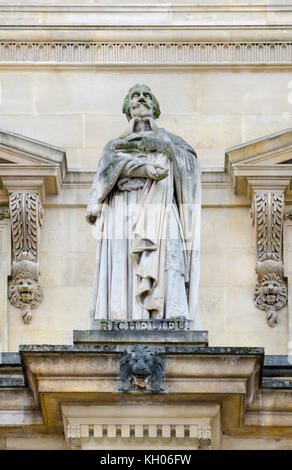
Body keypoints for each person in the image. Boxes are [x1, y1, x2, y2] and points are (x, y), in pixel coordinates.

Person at [86, 84, 201, 328]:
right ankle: (122, 318)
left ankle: (167, 314)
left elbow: (190, 171)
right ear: (127, 108)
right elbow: (103, 177)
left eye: (147, 95)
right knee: (124, 261)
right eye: (135, 96)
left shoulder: (172, 141)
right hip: (122, 208)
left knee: (167, 252)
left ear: (155, 108)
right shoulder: (114, 145)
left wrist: (165, 147)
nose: (141, 99)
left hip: (160, 208)